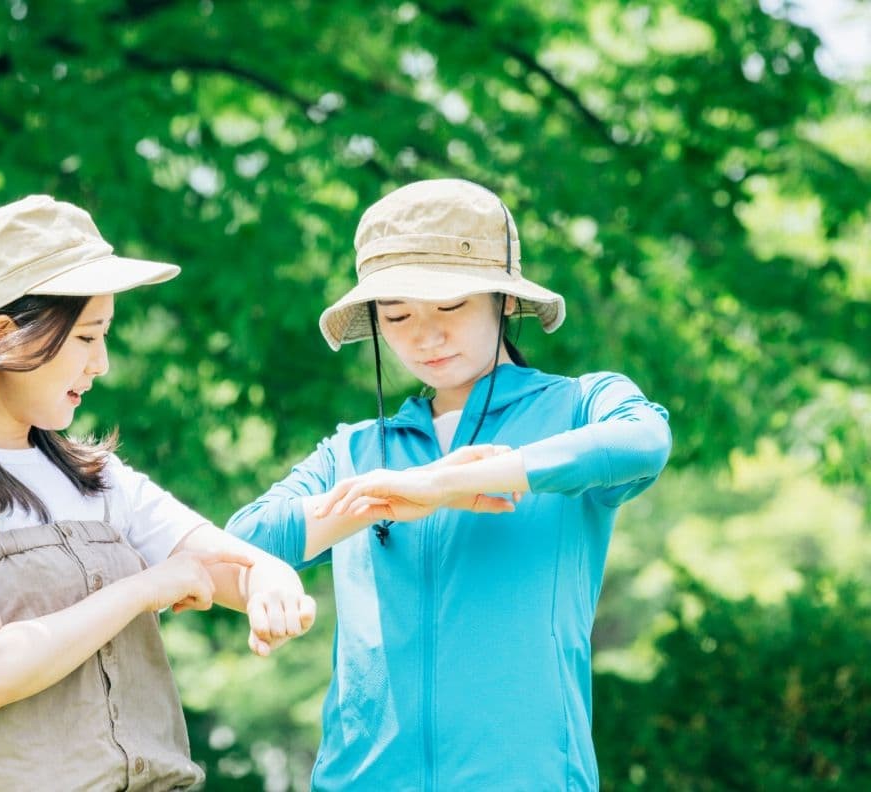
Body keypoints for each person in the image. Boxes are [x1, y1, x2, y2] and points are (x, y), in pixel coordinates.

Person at [0, 195, 316, 791]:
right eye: (86, 338)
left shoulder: (96, 474)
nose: (101, 364)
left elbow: (218, 563)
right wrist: (147, 587)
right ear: (5, 337)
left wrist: (269, 579)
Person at [227, 179, 672, 790]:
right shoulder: (355, 449)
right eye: (398, 314)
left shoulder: (578, 404)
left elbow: (643, 440)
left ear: (503, 300)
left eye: (451, 306)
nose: (425, 336)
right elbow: (243, 540)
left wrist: (452, 485)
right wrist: (399, 490)